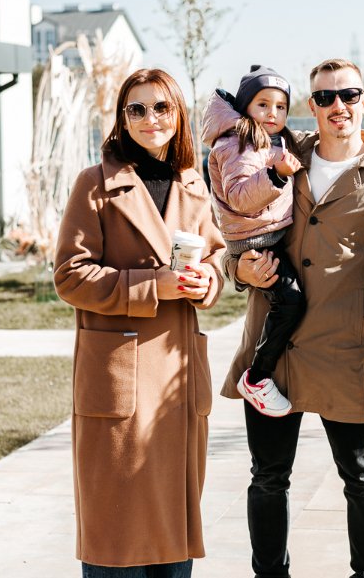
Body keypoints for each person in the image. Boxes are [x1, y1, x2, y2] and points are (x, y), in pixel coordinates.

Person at [222, 58, 364, 578]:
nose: (338, 106)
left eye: (349, 95)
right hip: (271, 354)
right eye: (325, 97)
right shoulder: (278, 157)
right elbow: (235, 227)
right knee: (267, 478)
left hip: (346, 354)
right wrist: (238, 268)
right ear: (311, 105)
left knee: (362, 479)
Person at [53, 68, 225, 578]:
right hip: (120, 383)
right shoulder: (95, 185)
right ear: (122, 119)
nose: (151, 118)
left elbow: (215, 256)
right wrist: (153, 287)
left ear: (178, 115)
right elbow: (70, 276)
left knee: (172, 542)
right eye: (137, 109)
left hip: (177, 380)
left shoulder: (193, 184)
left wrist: (208, 280)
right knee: (117, 537)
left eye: (162, 107)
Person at [202, 65, 305, 417]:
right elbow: (240, 197)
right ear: (245, 107)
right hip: (254, 241)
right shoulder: (238, 143)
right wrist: (277, 174)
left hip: (264, 234)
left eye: (281, 106)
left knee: (288, 300)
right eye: (263, 105)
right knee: (289, 301)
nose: (273, 113)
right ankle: (258, 376)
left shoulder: (268, 139)